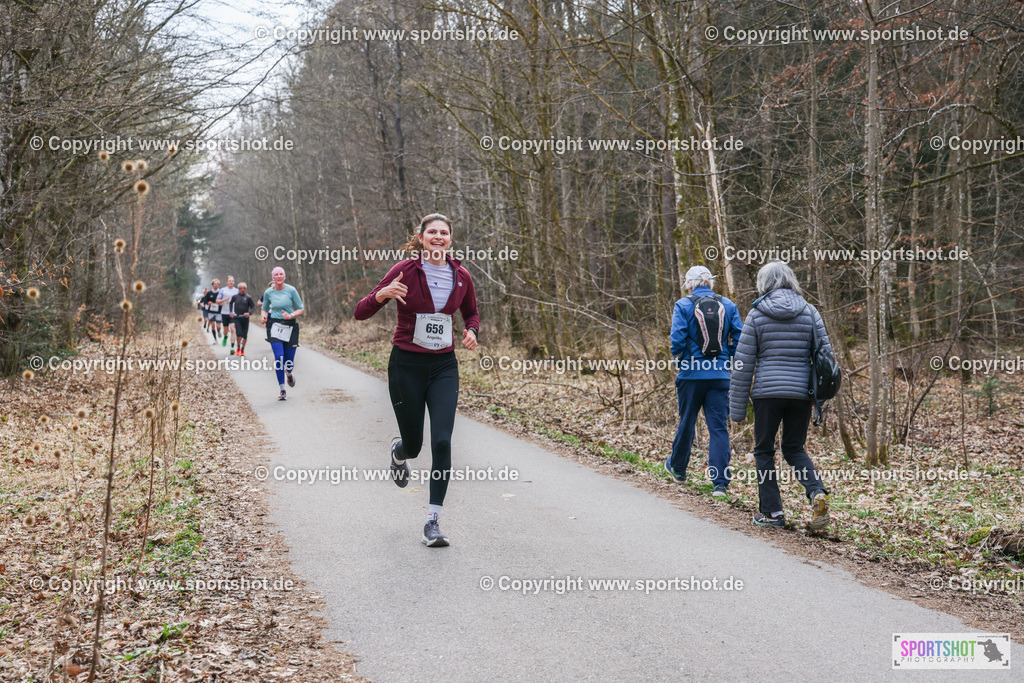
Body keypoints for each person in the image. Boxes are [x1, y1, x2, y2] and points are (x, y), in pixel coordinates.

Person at [354, 213, 479, 548]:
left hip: (444, 367)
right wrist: (382, 295)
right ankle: (400, 451)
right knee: (415, 445)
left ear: (450, 239)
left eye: (444, 233)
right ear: (422, 237)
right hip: (406, 365)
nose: (438, 237)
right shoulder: (404, 270)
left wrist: (471, 330)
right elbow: (360, 311)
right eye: (432, 232)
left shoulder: (461, 275)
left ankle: (433, 522)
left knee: (441, 442)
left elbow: (471, 312)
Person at [728, 261, 831, 530]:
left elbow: (743, 364)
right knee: (794, 448)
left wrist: (736, 409)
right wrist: (820, 396)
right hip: (801, 394)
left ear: (763, 283)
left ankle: (772, 512)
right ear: (791, 280)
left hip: (767, 393)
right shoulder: (809, 312)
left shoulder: (757, 314)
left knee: (764, 450)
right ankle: (816, 491)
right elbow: (826, 359)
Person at [666, 265, 743, 498]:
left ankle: (678, 469)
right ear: (711, 282)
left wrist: (682, 361)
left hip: (691, 375)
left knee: (687, 421)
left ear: (689, 284)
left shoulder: (683, 305)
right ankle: (720, 484)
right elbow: (740, 339)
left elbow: (677, 340)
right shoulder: (728, 305)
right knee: (718, 428)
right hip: (719, 376)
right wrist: (725, 360)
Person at [259, 267, 304, 400]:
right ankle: (282, 389)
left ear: (284, 276)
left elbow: (300, 308)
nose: (278, 276)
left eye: (281, 274)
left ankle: (289, 374)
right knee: (279, 358)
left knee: (289, 361)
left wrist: (291, 315)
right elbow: (264, 308)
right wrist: (263, 317)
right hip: (274, 325)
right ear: (273, 277)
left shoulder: (291, 290)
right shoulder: (268, 292)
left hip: (290, 326)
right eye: (276, 275)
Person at [230, 282, 256, 357]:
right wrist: (231, 311)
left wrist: (249, 313)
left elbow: (253, 307)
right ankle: (238, 347)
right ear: (238, 289)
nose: (242, 290)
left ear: (246, 289)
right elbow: (231, 303)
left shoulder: (248, 297)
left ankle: (242, 349)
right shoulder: (235, 297)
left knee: (245, 335)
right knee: (238, 334)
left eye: (244, 288)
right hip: (237, 317)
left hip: (245, 318)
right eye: (241, 288)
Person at [217, 276, 240, 353]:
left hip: (233, 312)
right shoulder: (222, 290)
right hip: (224, 312)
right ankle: (225, 336)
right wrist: (223, 300)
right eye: (230, 281)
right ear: (227, 282)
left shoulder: (237, 290)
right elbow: (217, 301)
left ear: (234, 282)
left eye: (232, 281)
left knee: (233, 329)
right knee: (225, 330)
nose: (231, 282)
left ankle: (232, 347)